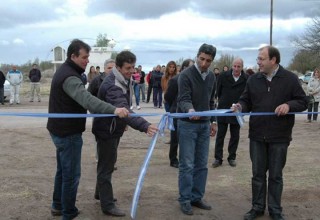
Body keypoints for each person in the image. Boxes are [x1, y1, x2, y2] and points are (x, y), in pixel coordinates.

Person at [46, 39, 129, 220]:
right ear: (73, 56)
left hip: (60, 130)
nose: (87, 61)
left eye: (88, 57)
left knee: (62, 171)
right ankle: (68, 212)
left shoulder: (68, 72)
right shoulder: (69, 77)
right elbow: (87, 100)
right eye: (84, 57)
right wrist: (114, 109)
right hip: (67, 133)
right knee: (71, 175)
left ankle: (58, 206)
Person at [234, 46, 307, 220]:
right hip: (257, 135)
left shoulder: (290, 79)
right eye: (258, 59)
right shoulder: (253, 80)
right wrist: (240, 107)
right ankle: (257, 207)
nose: (258, 62)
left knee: (275, 175)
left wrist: (289, 106)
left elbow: (303, 101)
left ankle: (275, 209)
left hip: (279, 136)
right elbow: (246, 101)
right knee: (258, 175)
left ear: (273, 60)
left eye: (261, 59)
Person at [92, 50, 158, 217]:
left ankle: (100, 193)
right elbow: (124, 109)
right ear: (118, 67)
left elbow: (122, 110)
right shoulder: (113, 85)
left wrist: (122, 123)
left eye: (133, 67)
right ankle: (107, 205)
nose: (131, 71)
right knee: (107, 166)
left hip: (112, 128)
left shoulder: (122, 79)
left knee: (107, 162)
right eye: (128, 68)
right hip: (107, 131)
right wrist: (145, 125)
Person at [177, 43, 217, 215]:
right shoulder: (185, 75)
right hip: (187, 125)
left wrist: (213, 121)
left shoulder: (212, 78)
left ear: (212, 60)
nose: (204, 63)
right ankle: (185, 199)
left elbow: (211, 101)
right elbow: (183, 99)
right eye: (201, 59)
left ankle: (196, 197)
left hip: (204, 125)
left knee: (202, 164)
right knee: (187, 164)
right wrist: (190, 109)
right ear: (197, 56)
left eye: (208, 60)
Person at [212, 58, 247, 168]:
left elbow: (246, 95)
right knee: (220, 135)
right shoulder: (223, 76)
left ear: (242, 67)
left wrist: (240, 106)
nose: (236, 69)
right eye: (234, 66)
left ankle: (232, 157)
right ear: (232, 66)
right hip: (223, 110)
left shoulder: (246, 78)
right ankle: (218, 158)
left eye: (238, 66)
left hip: (237, 111)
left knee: (235, 136)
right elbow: (218, 91)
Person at [164, 59, 194, 168]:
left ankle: (186, 158)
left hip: (188, 113)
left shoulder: (193, 80)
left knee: (186, 138)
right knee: (175, 137)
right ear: (184, 68)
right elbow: (168, 97)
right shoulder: (175, 80)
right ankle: (173, 159)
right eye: (191, 67)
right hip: (176, 112)